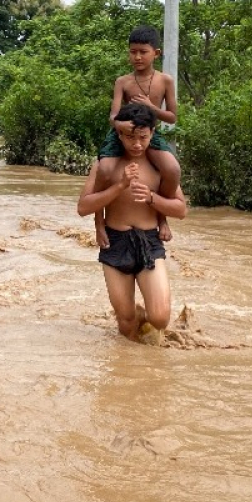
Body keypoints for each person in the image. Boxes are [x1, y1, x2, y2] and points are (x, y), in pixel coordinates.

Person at [77, 103, 187, 343]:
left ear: (152, 134)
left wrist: (151, 198)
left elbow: (181, 209)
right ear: (119, 134)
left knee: (160, 318)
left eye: (143, 137)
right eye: (129, 137)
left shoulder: (159, 166)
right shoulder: (106, 164)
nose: (136, 144)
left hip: (149, 241)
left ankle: (147, 329)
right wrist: (119, 186)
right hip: (114, 242)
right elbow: (83, 207)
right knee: (126, 324)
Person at [95, 25, 180, 250]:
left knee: (172, 170)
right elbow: (113, 115)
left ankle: (162, 218)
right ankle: (99, 223)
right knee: (104, 170)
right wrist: (121, 124)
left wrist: (152, 108)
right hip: (121, 134)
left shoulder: (165, 81)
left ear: (156, 53)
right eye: (133, 51)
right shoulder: (123, 81)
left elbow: (172, 117)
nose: (138, 56)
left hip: (148, 134)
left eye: (143, 51)